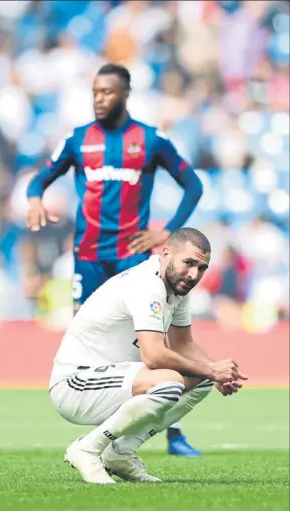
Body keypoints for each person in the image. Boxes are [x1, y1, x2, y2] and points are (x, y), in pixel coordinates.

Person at [26, 63, 204, 456]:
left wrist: (169, 233)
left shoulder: (151, 140)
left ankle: (171, 431)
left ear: (125, 95)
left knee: (147, 341)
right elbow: (39, 178)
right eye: (94, 92)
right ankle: (103, 428)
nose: (99, 99)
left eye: (107, 92)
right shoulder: (77, 140)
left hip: (132, 256)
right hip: (88, 256)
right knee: (89, 338)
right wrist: (35, 198)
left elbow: (193, 184)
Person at [48, 228, 247, 484]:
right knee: (170, 381)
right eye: (189, 263)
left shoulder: (176, 287)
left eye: (202, 268)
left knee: (201, 378)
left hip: (116, 381)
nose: (194, 274)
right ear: (166, 253)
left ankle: (119, 453)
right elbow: (153, 355)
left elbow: (183, 344)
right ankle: (87, 449)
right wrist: (210, 368)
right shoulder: (146, 285)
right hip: (75, 384)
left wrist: (214, 372)